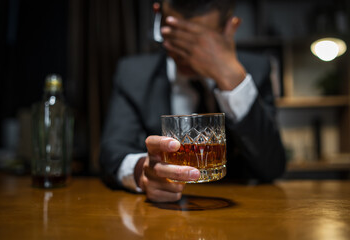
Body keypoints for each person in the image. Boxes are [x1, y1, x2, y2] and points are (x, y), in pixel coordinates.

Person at [100, 0, 286, 202]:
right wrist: (143, 173)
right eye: (177, 37)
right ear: (158, 19)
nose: (188, 53)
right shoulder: (133, 74)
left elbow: (272, 167)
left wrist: (232, 78)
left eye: (201, 41)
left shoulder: (256, 69)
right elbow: (112, 152)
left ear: (229, 27)